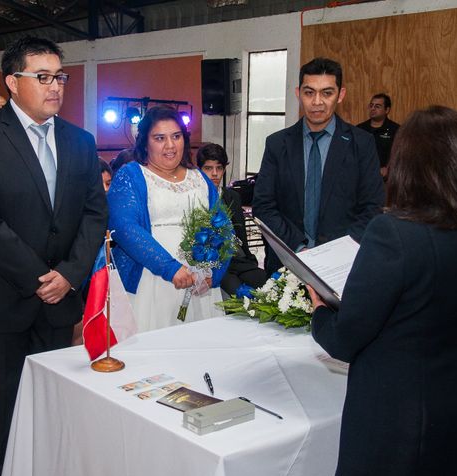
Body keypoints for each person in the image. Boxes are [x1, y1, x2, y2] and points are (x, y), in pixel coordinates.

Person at [0, 36, 107, 476]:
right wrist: (42, 277)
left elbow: (96, 214)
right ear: (12, 82)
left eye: (59, 76)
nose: (55, 86)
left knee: (54, 413)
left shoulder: (80, 140)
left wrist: (70, 275)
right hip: (7, 304)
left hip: (61, 306)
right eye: (42, 77)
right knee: (1, 416)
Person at [309, 106, 457, 476]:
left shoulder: (394, 234)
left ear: (407, 166)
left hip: (399, 430)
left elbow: (344, 338)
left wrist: (320, 309)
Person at [252, 57, 384, 274]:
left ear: (341, 95)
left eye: (327, 93)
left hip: (342, 266)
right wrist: (299, 248)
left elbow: (373, 207)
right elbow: (263, 206)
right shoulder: (277, 144)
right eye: (309, 92)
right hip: (288, 263)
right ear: (298, 93)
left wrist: (332, 253)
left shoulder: (362, 143)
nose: (317, 102)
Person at [108, 106, 228, 332]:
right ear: (145, 142)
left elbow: (223, 227)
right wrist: (169, 268)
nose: (170, 145)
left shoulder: (199, 177)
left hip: (199, 283)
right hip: (151, 279)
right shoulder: (131, 175)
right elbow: (125, 228)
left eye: (176, 136)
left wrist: (215, 272)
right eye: (159, 138)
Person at [196, 143, 267, 295]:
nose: (215, 173)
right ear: (199, 170)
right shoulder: (195, 199)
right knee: (237, 292)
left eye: (219, 168)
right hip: (215, 264)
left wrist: (249, 259)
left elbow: (241, 234)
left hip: (240, 260)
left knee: (265, 282)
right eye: (208, 168)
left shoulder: (232, 196)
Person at [357, 93, 400, 179]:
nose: (373, 108)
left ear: (387, 110)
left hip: (386, 179)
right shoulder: (359, 129)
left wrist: (389, 168)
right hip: (363, 177)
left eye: (377, 106)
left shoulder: (396, 130)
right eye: (371, 105)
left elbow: (399, 153)